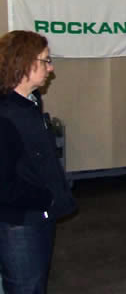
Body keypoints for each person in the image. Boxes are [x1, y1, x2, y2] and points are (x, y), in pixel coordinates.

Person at [0, 31, 76, 294]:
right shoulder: (6, 117)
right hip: (20, 224)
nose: (51, 68)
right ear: (24, 64)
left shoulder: (30, 105)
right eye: (46, 61)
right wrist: (45, 198)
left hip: (38, 217)